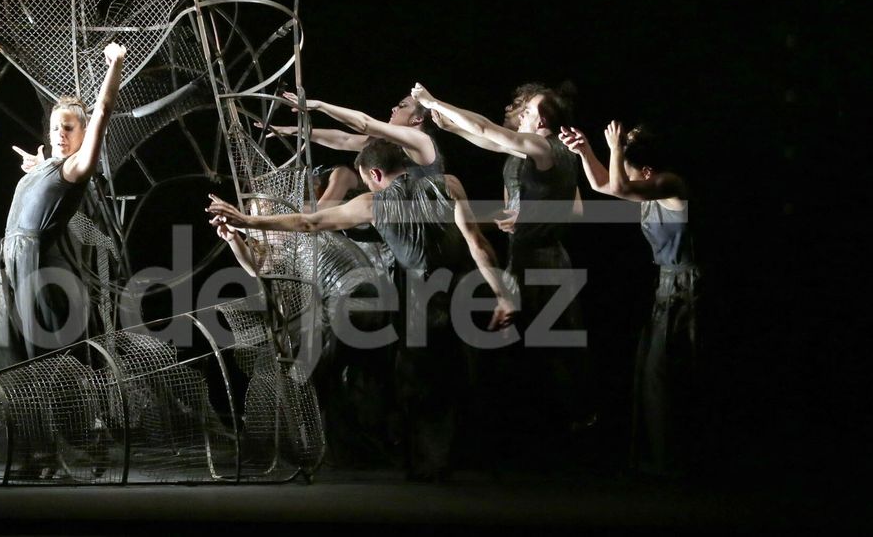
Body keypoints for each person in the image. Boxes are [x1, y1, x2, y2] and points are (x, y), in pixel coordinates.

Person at [208, 138, 510, 480]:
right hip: (450, 290)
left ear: (376, 173)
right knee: (433, 373)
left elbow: (312, 219)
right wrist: (501, 292)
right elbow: (476, 242)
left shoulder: (369, 204)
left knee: (420, 378)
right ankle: (412, 453)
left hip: (387, 299)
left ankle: (428, 462)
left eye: (367, 178)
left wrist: (249, 222)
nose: (365, 184)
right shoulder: (448, 184)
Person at [410, 81, 596, 439]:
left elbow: (485, 130)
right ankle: (557, 425)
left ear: (542, 122)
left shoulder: (543, 146)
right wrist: (453, 125)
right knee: (534, 344)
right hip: (534, 256)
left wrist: (435, 101)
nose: (522, 113)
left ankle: (566, 427)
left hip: (542, 262)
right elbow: (488, 139)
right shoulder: (544, 151)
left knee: (544, 349)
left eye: (529, 110)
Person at [561, 120, 697, 476]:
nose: (625, 177)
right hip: (667, 287)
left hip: (688, 288)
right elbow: (605, 184)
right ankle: (661, 460)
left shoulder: (671, 184)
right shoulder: (649, 186)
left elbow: (617, 185)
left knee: (669, 375)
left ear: (648, 171)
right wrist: (585, 150)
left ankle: (675, 462)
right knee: (652, 375)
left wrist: (616, 148)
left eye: (632, 169)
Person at [0, 41, 127, 369]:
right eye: (55, 127)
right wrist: (37, 168)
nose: (59, 134)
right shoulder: (47, 167)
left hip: (38, 266)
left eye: (68, 128)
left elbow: (104, 111)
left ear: (83, 134)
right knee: (13, 359)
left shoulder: (75, 167)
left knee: (50, 357)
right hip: (11, 262)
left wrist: (115, 64)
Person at [265, 90, 444, 206]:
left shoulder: (422, 142)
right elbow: (344, 140)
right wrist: (294, 130)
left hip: (428, 225)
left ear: (417, 119)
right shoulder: (390, 145)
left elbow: (365, 124)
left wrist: (320, 105)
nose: (394, 108)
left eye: (402, 106)